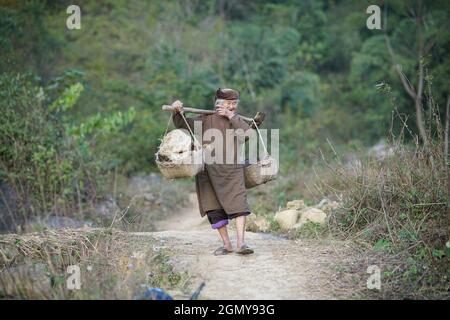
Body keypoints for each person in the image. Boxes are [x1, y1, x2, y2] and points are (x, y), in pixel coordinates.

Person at [171, 88, 259, 255]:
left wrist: (230, 116)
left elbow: (248, 134)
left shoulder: (237, 120)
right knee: (214, 208)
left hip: (232, 170)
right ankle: (226, 244)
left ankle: (241, 243)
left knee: (239, 205)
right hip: (208, 172)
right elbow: (182, 124)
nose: (232, 106)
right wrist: (177, 111)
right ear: (219, 104)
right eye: (229, 104)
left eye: (234, 104)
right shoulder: (206, 119)